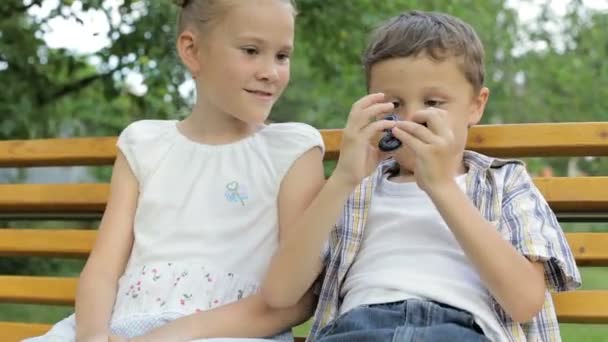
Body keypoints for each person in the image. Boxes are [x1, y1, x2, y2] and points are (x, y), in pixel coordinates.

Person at [261, 11, 581, 341]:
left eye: (432, 101)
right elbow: (281, 294)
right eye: (394, 104)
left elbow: (525, 302)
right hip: (358, 328)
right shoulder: (356, 189)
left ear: (475, 105)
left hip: (461, 330)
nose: (411, 118)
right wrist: (343, 178)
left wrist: (441, 186)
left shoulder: (505, 183)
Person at [24, 0, 325, 341]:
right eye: (251, 50)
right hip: (119, 325)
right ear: (193, 51)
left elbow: (297, 299)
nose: (270, 71)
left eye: (282, 56)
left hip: (228, 332)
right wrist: (93, 335)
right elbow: (103, 269)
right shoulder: (144, 144)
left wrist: (165, 336)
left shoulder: (292, 150)